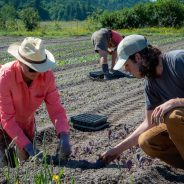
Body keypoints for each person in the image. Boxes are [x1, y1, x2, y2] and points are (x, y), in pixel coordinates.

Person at [100, 34, 184, 169]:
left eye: (127, 64)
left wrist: (175, 102)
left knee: (173, 116)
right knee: (147, 141)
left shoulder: (178, 61)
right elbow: (149, 123)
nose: (126, 70)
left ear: (138, 58)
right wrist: (117, 149)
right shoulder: (150, 84)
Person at [0, 37, 71, 167]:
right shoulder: (5, 77)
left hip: (26, 123)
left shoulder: (47, 76)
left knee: (26, 165)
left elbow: (56, 110)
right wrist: (28, 146)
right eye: (32, 68)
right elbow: (7, 119)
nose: (36, 72)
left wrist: (64, 135)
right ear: (20, 62)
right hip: (2, 125)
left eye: (40, 68)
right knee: (5, 166)